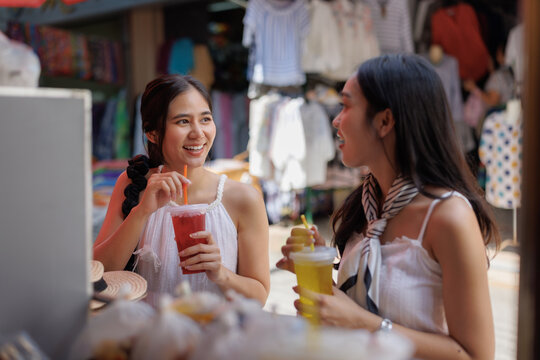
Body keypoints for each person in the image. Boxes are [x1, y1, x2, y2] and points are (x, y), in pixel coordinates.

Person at [277, 54, 500, 359]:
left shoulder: (448, 217)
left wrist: (363, 323)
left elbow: (476, 354)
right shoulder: (367, 205)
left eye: (345, 105)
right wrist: (319, 279)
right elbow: (359, 313)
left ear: (384, 121)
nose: (335, 119)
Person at [94, 74, 270, 306]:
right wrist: (142, 212)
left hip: (216, 335)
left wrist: (221, 273)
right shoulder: (133, 184)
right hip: (151, 335)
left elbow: (259, 295)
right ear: (152, 133)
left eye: (205, 119)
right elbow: (99, 275)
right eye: (183, 121)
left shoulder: (244, 198)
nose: (198, 133)